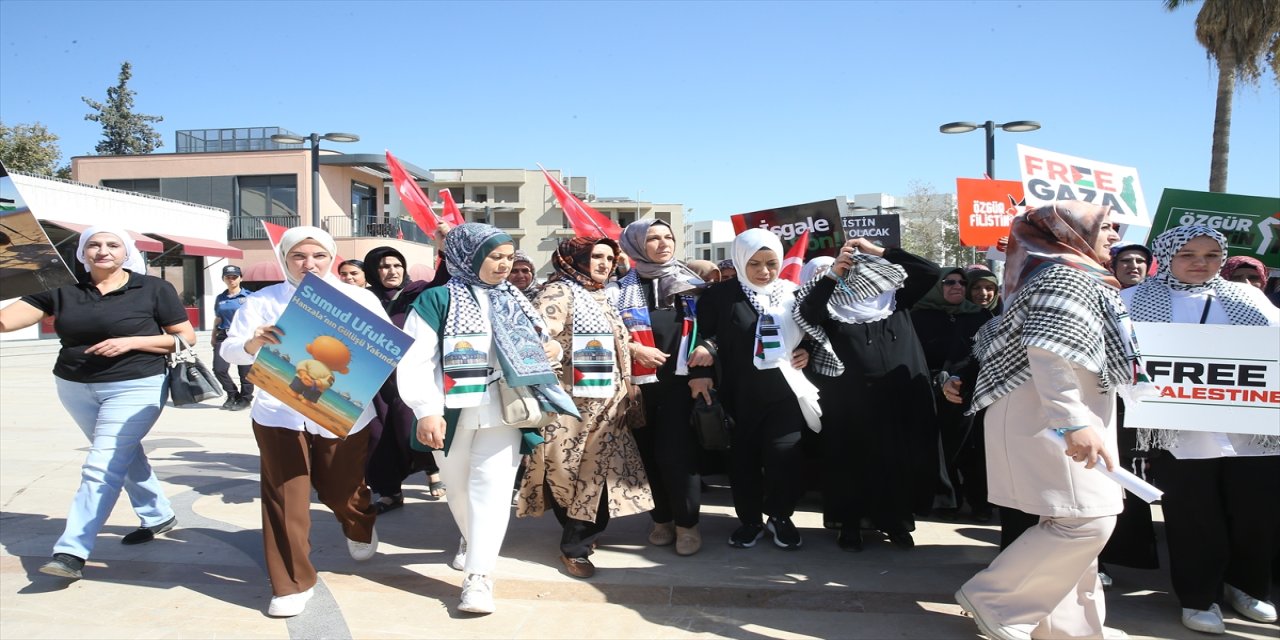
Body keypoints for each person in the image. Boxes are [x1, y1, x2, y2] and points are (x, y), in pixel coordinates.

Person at [954, 201, 1133, 640]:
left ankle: (1071, 630)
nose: (1115, 235)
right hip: (1047, 415)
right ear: (1071, 232)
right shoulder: (1065, 275)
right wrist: (1072, 422)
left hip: (1060, 413)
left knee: (1073, 518)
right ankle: (994, 600)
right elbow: (1049, 352)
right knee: (1087, 520)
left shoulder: (1076, 272)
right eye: (1105, 227)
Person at [399, 223, 577, 614]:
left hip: (503, 410)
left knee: (492, 492)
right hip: (451, 412)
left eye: (508, 257)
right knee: (458, 490)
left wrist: (552, 351)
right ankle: (472, 539)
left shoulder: (514, 299)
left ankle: (479, 576)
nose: (504, 265)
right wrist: (426, 409)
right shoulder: (437, 299)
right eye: (494, 257)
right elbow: (415, 360)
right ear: (469, 257)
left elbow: (540, 341)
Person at [0, 226, 194, 580]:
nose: (103, 250)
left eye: (112, 244)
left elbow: (185, 337)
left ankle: (72, 551)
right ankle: (157, 514)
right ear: (81, 252)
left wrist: (132, 342)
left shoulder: (153, 288)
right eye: (93, 244)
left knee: (101, 464)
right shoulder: (60, 286)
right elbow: (5, 321)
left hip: (136, 386)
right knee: (121, 453)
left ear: (127, 252)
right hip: (74, 386)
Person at [220, 226, 387, 618]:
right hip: (279, 413)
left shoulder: (359, 298)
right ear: (285, 259)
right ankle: (291, 583)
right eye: (298, 256)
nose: (308, 264)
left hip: (342, 413)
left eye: (318, 256)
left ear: (331, 258)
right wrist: (253, 343)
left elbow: (386, 348)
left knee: (341, 489)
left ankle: (358, 522)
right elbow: (230, 350)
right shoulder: (262, 301)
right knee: (284, 498)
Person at [1123, 225, 1279, 634]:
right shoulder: (1134, 300)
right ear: (1167, 256)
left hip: (1252, 433)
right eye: (1188, 254)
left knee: (1255, 514)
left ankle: (1245, 587)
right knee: (1195, 517)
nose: (1200, 263)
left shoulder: (1247, 297)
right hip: (1181, 435)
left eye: (1211, 255)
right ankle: (1198, 597)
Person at [516, 237, 653, 578]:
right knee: (566, 474)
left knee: (598, 474)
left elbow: (614, 340)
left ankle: (576, 543)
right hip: (570, 407)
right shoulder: (558, 293)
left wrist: (634, 352)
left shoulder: (599, 295)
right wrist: (550, 353)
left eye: (609, 257)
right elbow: (537, 336)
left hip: (609, 408)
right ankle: (578, 534)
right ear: (574, 259)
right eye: (596, 256)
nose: (604, 264)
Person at [793, 238, 940, 550]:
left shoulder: (896, 298)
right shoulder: (831, 307)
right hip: (849, 399)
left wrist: (878, 251)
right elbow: (808, 312)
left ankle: (896, 523)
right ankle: (849, 525)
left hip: (896, 397)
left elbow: (929, 271)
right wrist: (832, 275)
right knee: (850, 461)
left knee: (894, 460)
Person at [691, 228, 820, 550]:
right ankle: (749, 520)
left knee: (784, 456)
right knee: (743, 461)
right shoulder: (720, 296)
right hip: (738, 393)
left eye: (771, 263)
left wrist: (808, 351)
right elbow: (702, 335)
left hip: (785, 392)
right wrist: (703, 366)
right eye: (755, 264)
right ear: (740, 261)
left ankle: (780, 516)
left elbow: (813, 332)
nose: (764, 271)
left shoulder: (792, 293)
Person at [612, 219, 708, 555]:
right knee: (647, 456)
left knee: (677, 456)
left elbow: (712, 329)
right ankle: (661, 519)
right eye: (653, 238)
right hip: (638, 388)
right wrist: (634, 348)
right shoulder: (617, 290)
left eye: (668, 236)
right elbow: (606, 332)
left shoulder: (693, 285)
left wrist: (707, 357)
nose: (663, 243)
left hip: (682, 385)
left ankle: (687, 525)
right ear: (636, 245)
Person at [360, 246, 444, 512]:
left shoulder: (416, 293)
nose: (392, 271)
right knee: (377, 436)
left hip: (410, 377)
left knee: (411, 427)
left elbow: (442, 281)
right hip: (375, 380)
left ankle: (433, 470)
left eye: (397, 265)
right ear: (373, 270)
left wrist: (443, 250)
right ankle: (389, 492)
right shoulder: (364, 298)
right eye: (384, 266)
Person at [911, 267, 994, 521]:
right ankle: (947, 500)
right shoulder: (918, 317)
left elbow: (985, 356)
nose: (957, 286)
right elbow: (913, 356)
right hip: (931, 391)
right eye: (949, 282)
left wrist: (962, 379)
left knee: (974, 450)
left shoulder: (979, 316)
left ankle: (980, 503)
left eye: (962, 282)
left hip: (971, 393)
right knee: (941, 448)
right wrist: (940, 380)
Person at [212, 264, 254, 410]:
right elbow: (218, 318)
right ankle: (232, 394)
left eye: (234, 277)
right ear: (223, 279)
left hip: (244, 335)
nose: (231, 280)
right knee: (219, 369)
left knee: (245, 370)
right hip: (224, 334)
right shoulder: (220, 298)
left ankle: (246, 398)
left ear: (240, 278)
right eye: (228, 277)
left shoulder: (249, 296)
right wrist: (213, 335)